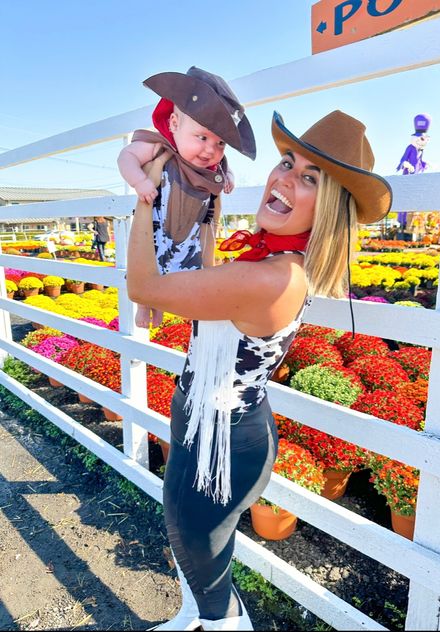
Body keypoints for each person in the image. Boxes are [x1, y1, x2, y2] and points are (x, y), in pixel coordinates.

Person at [127, 109, 392, 631]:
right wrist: (209, 206)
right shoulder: (270, 263)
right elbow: (205, 282)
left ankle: (222, 622)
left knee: (197, 548)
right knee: (195, 545)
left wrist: (150, 191)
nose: (284, 178)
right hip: (211, 420)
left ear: (330, 208)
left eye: (309, 178)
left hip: (225, 438)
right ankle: (193, 616)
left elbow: (143, 286)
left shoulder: (274, 278)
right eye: (287, 163)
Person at [118, 66, 256, 328]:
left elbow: (224, 168)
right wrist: (139, 181)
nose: (209, 150)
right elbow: (126, 156)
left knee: (189, 272)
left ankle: (175, 309)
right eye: (201, 137)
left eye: (220, 143)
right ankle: (145, 309)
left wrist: (228, 178)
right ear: (174, 123)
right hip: (157, 224)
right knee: (147, 265)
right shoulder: (158, 147)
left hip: (190, 232)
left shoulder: (213, 165)